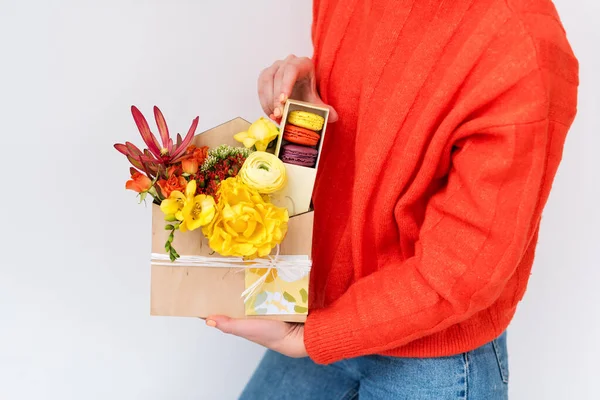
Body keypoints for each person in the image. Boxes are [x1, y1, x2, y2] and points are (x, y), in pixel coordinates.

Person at [205, 0, 579, 398]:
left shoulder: (520, 44)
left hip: (433, 359)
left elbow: (460, 272)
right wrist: (310, 94)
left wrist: (309, 337)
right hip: (321, 305)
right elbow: (388, 101)